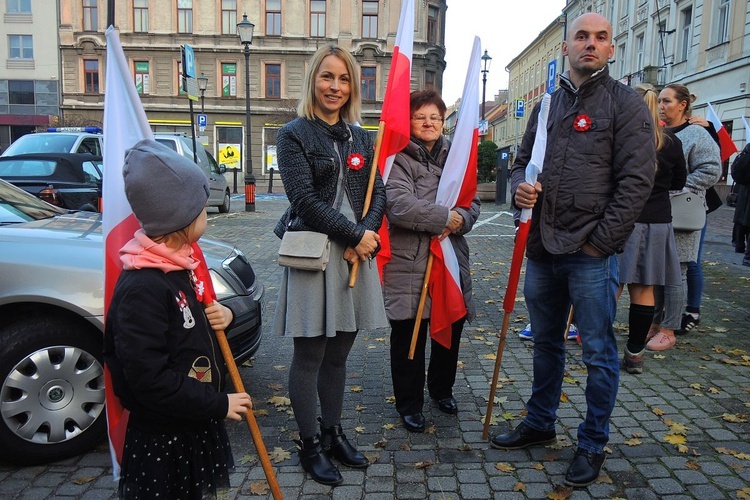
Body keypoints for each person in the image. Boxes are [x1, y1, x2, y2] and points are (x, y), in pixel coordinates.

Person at [489, 13, 656, 488]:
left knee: (599, 352)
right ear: (567, 47)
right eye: (581, 36)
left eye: (600, 38)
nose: (590, 44)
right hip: (542, 247)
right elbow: (522, 164)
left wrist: (598, 243)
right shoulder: (547, 105)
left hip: (590, 254)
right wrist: (519, 187)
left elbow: (636, 183)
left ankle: (592, 442)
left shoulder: (625, 105)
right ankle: (540, 423)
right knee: (545, 344)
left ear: (611, 49)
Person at [103, 139, 253, 499]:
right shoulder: (144, 285)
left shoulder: (177, 266)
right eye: (201, 210)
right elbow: (148, 379)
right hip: (164, 436)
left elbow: (188, 323)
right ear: (181, 220)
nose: (207, 215)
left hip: (189, 421)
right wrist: (218, 404)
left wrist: (225, 314)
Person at [272, 44, 388, 486]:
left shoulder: (362, 137)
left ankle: (332, 432)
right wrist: (355, 235)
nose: (335, 87)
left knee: (339, 353)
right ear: (313, 81)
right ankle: (309, 444)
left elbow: (378, 191)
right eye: (327, 77)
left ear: (353, 86)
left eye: (343, 79)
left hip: (354, 256)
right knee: (311, 354)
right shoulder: (294, 134)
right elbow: (303, 199)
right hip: (312, 256)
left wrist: (367, 239)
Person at [382, 89, 480, 432]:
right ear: (408, 120)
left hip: (450, 259)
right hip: (409, 263)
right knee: (409, 334)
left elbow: (472, 202)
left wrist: (462, 219)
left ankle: (442, 390)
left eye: (435, 117)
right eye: (420, 116)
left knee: (449, 328)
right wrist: (447, 218)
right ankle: (409, 402)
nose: (428, 123)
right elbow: (399, 206)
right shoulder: (397, 157)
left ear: (443, 122)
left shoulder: (456, 156)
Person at [617, 83, 687, 373]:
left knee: (612, 284)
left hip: (623, 220)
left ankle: (595, 342)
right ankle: (635, 353)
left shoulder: (622, 140)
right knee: (644, 288)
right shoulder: (670, 143)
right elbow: (679, 182)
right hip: (657, 221)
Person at [648, 84, 721, 350]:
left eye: (667, 101)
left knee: (676, 272)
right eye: (660, 101)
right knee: (656, 272)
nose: (662, 106)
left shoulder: (696, 134)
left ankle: (669, 329)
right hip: (658, 212)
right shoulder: (659, 133)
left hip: (683, 213)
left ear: (683, 105)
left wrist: (679, 186)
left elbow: (712, 170)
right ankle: (656, 324)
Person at [731, 143, 750, 267]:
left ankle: (739, 245)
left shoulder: (746, 151)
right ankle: (748, 256)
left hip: (743, 190)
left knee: (741, 220)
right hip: (745, 190)